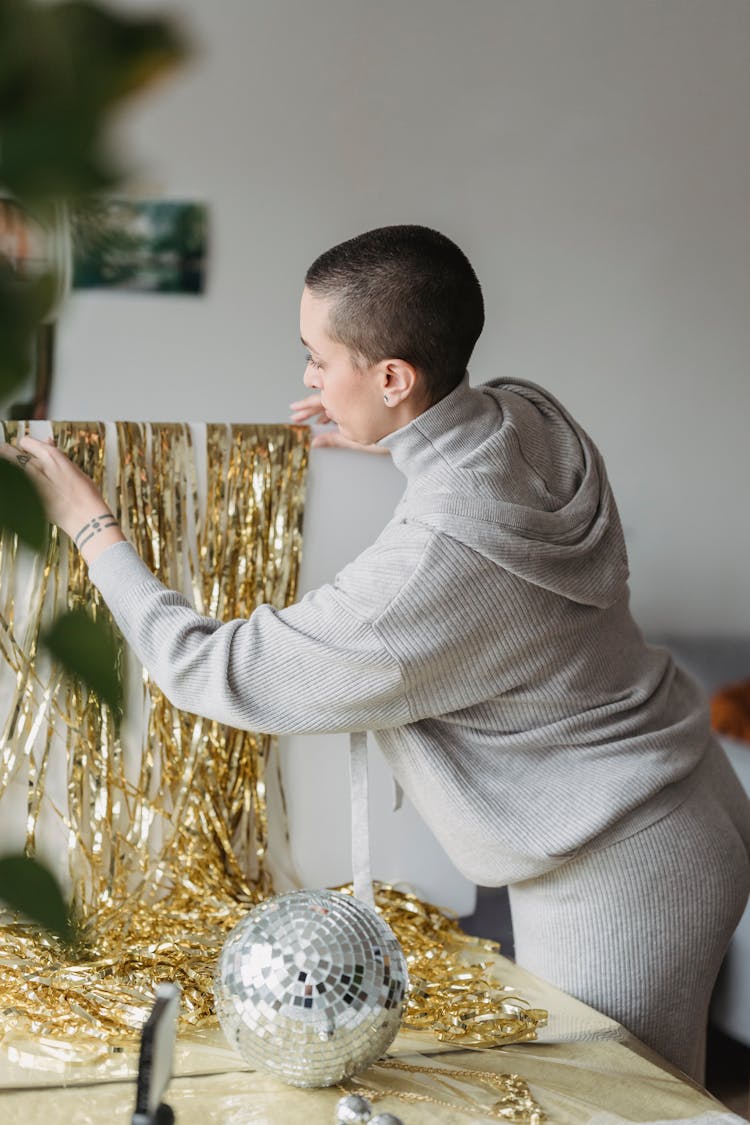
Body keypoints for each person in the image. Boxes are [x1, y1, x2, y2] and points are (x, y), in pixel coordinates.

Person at [2, 224, 748, 1083]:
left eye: (319, 359)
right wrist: (392, 433)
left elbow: (214, 670)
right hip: (686, 794)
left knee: (613, 1105)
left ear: (394, 376)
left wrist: (89, 526)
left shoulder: (435, 566)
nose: (309, 379)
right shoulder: (532, 417)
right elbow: (469, 461)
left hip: (623, 872)